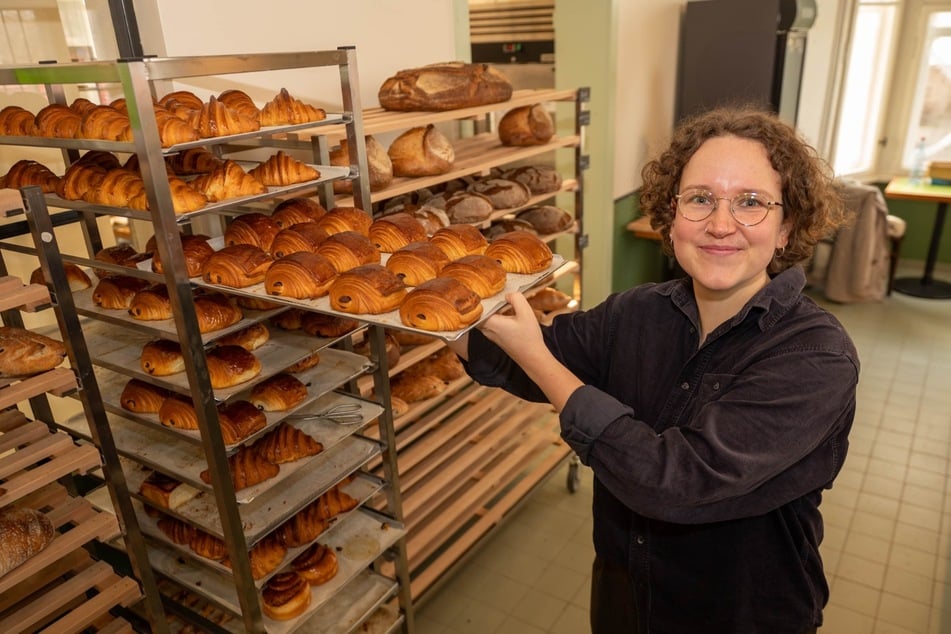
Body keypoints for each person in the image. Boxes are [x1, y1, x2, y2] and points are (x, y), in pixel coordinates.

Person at [449, 105, 859, 634]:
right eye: (700, 199)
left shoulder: (814, 357)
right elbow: (524, 359)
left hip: (739, 614)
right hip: (627, 598)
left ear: (787, 229)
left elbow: (674, 481)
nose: (719, 224)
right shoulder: (636, 312)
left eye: (751, 203)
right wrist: (431, 309)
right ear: (672, 216)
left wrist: (535, 357)